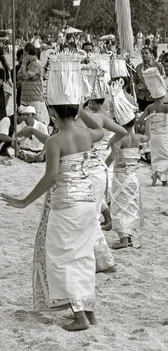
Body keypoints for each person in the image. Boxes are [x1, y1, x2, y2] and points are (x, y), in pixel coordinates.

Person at [2, 81, 104, 330]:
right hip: (89, 202)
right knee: (83, 256)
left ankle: (79, 314)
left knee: (61, 257)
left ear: (54, 114)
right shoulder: (86, 135)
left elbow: (51, 176)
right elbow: (99, 129)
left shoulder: (55, 141)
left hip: (67, 203)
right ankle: (88, 311)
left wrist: (25, 201)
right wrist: (80, 108)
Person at [106, 83, 148, 249]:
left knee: (119, 205)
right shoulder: (137, 137)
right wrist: (149, 121)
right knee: (130, 205)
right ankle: (128, 236)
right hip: (134, 177)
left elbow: (111, 157)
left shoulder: (119, 139)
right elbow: (148, 137)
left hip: (120, 176)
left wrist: (102, 167)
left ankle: (124, 239)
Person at [140, 68, 168, 186]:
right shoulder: (166, 107)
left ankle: (156, 174)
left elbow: (140, 120)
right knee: (166, 156)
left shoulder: (149, 107)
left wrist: (150, 123)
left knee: (156, 156)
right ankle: (164, 180)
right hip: (163, 135)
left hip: (153, 136)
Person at [17, 43, 49, 126]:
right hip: (24, 98)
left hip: (35, 98)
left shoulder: (36, 64)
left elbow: (25, 76)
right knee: (26, 123)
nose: (23, 56)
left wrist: (24, 66)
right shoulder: (26, 63)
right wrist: (26, 74)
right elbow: (18, 76)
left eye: (25, 53)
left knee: (37, 122)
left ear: (28, 53)